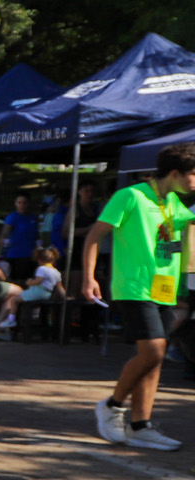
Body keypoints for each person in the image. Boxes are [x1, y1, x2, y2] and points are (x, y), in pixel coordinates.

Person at [81, 144, 195, 450]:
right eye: (194, 175)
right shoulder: (130, 196)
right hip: (134, 287)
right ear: (175, 173)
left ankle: (140, 426)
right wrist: (89, 277)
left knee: (153, 360)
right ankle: (112, 406)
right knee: (154, 351)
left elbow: (185, 236)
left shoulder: (173, 202)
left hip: (165, 290)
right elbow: (95, 236)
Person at [1, 192, 41, 284]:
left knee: (31, 280)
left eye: (24, 202)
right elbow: (5, 232)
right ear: (16, 204)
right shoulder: (12, 217)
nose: (22, 205)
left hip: (31, 255)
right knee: (19, 281)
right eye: (19, 203)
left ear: (28, 203)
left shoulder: (33, 217)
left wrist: (39, 246)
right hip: (16, 255)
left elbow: (37, 234)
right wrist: (4, 239)